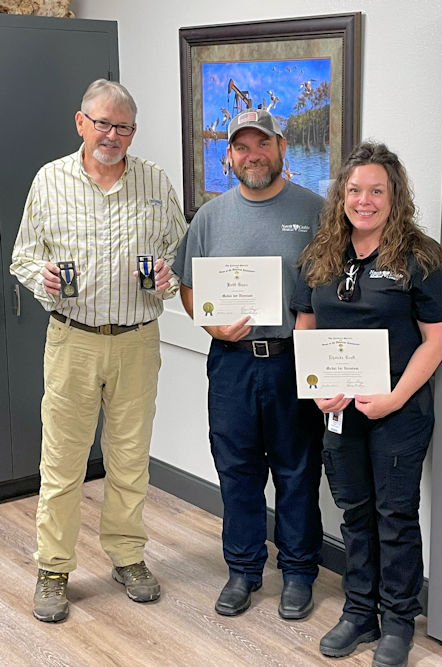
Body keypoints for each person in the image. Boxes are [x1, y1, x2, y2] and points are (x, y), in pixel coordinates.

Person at [10, 79, 187, 623]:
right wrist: (41, 279)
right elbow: (21, 257)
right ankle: (54, 569)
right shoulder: (50, 180)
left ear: (134, 131)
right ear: (81, 122)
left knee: (130, 460)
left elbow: (181, 252)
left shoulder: (156, 182)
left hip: (136, 341)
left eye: (123, 126)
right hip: (72, 340)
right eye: (103, 123)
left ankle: (127, 557)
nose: (112, 135)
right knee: (61, 463)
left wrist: (166, 276)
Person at [292, 142, 442, 666]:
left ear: (394, 196)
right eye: (355, 190)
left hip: (398, 412)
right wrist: (317, 386)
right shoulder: (321, 255)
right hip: (338, 411)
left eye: (376, 191)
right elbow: (305, 325)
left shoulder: (421, 258)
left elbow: (437, 339)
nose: (365, 200)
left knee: (395, 515)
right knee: (355, 512)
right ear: (341, 195)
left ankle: (399, 621)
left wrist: (395, 397)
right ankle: (360, 611)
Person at [173, 108, 325, 619]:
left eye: (262, 144)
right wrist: (210, 325)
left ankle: (300, 571)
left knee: (297, 471)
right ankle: (242, 569)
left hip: (291, 360)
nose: (252, 155)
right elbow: (189, 286)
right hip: (232, 364)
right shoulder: (211, 217)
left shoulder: (317, 211)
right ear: (228, 156)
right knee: (236, 470)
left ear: (281, 148)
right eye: (242, 147)